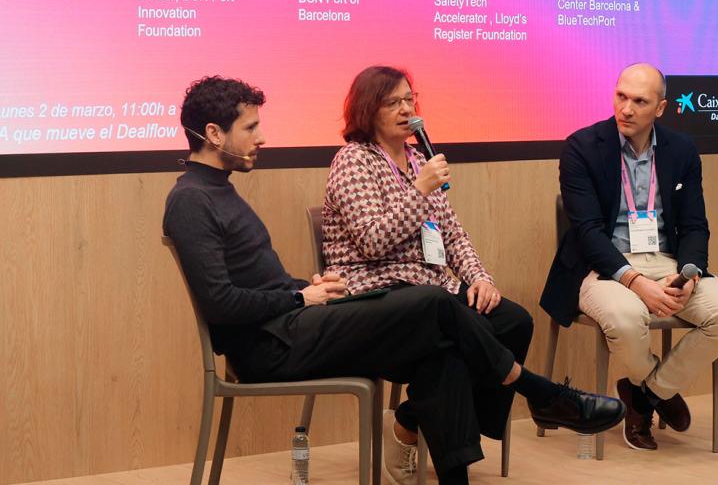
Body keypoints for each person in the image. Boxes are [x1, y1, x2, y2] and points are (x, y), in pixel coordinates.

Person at [163, 76, 624, 485]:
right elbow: (221, 305)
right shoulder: (191, 201)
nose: (261, 138)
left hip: (292, 322)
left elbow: (260, 280)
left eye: (411, 100)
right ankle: (538, 392)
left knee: (445, 345)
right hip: (268, 347)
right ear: (214, 134)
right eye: (250, 128)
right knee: (434, 306)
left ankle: (447, 460)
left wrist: (311, 285)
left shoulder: (219, 191)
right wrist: (299, 295)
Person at [323, 66, 534, 480]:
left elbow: (451, 233)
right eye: (393, 102)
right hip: (380, 298)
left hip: (432, 291)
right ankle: (451, 463)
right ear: (369, 110)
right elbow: (372, 241)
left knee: (513, 321)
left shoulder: (418, 157)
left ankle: (409, 418)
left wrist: (479, 278)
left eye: (409, 99)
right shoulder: (352, 162)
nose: (406, 109)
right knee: (446, 349)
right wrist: (418, 190)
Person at [540, 63, 718, 451]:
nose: (627, 109)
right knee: (628, 316)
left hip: (667, 262)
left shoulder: (682, 150)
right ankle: (658, 393)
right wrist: (637, 283)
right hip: (602, 267)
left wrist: (689, 276)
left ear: (661, 108)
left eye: (640, 101)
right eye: (621, 96)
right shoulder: (581, 147)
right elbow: (585, 232)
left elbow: (695, 224)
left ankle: (645, 394)